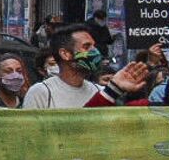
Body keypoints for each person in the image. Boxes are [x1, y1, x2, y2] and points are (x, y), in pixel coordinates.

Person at [20, 23, 149, 109]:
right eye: (87, 46)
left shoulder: (98, 91)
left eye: (94, 45)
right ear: (65, 54)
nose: (94, 51)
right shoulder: (41, 93)